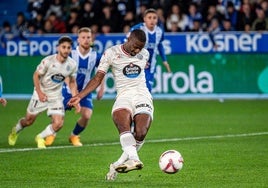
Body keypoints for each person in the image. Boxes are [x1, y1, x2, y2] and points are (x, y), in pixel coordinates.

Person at [67, 29, 154, 181]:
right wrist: (80, 96)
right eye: (135, 46)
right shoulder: (111, 53)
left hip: (142, 94)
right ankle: (134, 159)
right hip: (123, 96)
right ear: (129, 39)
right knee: (122, 123)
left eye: (140, 47)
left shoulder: (144, 54)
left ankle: (117, 164)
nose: (137, 50)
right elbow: (97, 78)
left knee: (140, 132)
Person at [8, 36, 79, 149]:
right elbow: (36, 75)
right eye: (63, 47)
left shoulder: (72, 64)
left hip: (55, 96)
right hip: (41, 93)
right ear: (58, 48)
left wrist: (76, 98)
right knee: (29, 121)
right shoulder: (48, 61)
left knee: (59, 123)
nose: (66, 50)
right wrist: (40, 93)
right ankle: (15, 131)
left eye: (68, 48)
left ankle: (40, 137)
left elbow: (72, 82)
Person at [45, 27, 105, 147]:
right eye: (83, 37)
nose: (86, 40)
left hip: (85, 92)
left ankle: (74, 135)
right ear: (78, 40)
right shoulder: (70, 54)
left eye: (88, 37)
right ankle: (51, 133)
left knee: (87, 115)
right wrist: (73, 92)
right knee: (58, 117)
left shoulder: (95, 56)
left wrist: (101, 88)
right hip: (66, 91)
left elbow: (102, 72)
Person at [126, 8, 171, 92]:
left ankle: (144, 104)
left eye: (154, 18)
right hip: (135, 63)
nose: (152, 20)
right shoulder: (138, 29)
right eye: (149, 17)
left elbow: (159, 45)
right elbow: (127, 44)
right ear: (144, 19)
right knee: (135, 88)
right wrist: (139, 57)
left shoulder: (159, 31)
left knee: (147, 88)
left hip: (150, 65)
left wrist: (164, 60)